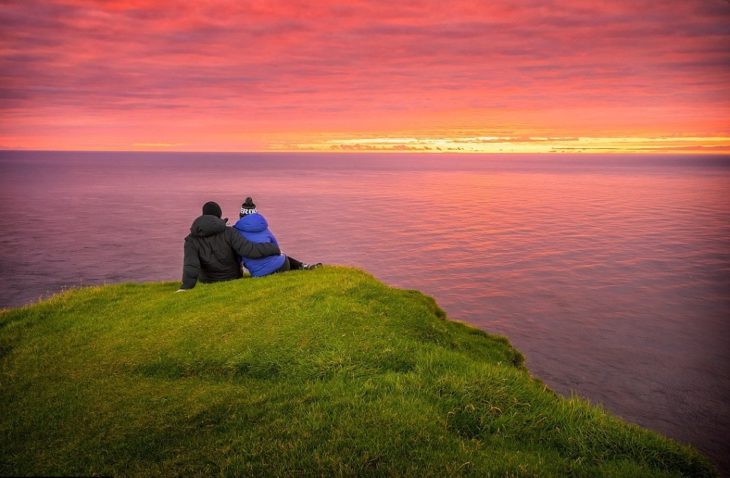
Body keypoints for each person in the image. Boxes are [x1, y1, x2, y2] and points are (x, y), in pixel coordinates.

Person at [178, 201, 281, 290]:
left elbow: (191, 265)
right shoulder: (230, 232)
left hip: (207, 281)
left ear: (203, 215)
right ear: (219, 215)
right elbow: (250, 250)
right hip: (233, 277)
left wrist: (186, 287)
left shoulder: (191, 239)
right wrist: (273, 248)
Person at [233, 197, 321, 277]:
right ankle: (303, 266)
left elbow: (237, 256)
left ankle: (302, 266)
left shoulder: (236, 232)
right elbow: (276, 247)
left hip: (262, 273)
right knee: (279, 253)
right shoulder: (264, 228)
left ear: (241, 216)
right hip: (283, 264)